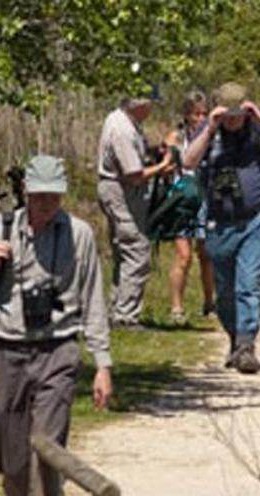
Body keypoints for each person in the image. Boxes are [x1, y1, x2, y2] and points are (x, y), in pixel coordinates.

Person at [0, 154, 115, 496]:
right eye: (39, 196)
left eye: (54, 196)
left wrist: (103, 364)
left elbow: (93, 299)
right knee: (14, 461)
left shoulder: (79, 234)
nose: (47, 204)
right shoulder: (1, 228)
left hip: (58, 349)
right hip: (6, 349)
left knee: (47, 453)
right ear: (25, 192)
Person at [183, 82, 260, 373]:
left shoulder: (259, 124)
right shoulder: (208, 130)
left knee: (248, 283)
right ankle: (235, 338)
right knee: (225, 290)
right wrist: (211, 129)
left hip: (257, 217)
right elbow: (187, 161)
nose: (234, 121)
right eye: (229, 115)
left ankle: (248, 344)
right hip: (219, 221)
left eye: (238, 114)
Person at [97, 95, 174, 329]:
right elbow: (134, 174)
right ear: (139, 105)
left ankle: (117, 309)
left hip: (119, 189)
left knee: (124, 252)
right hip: (121, 191)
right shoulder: (122, 130)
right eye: (150, 105)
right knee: (136, 250)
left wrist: (152, 152)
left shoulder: (122, 120)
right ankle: (126, 316)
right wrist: (162, 166)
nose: (151, 110)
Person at [164, 91, 217, 323]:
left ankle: (209, 303)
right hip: (182, 199)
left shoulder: (213, 136)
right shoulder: (176, 137)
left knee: (207, 254)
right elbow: (165, 164)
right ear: (187, 115)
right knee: (183, 255)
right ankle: (176, 307)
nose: (201, 118)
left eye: (205, 113)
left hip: (206, 196)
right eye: (197, 114)